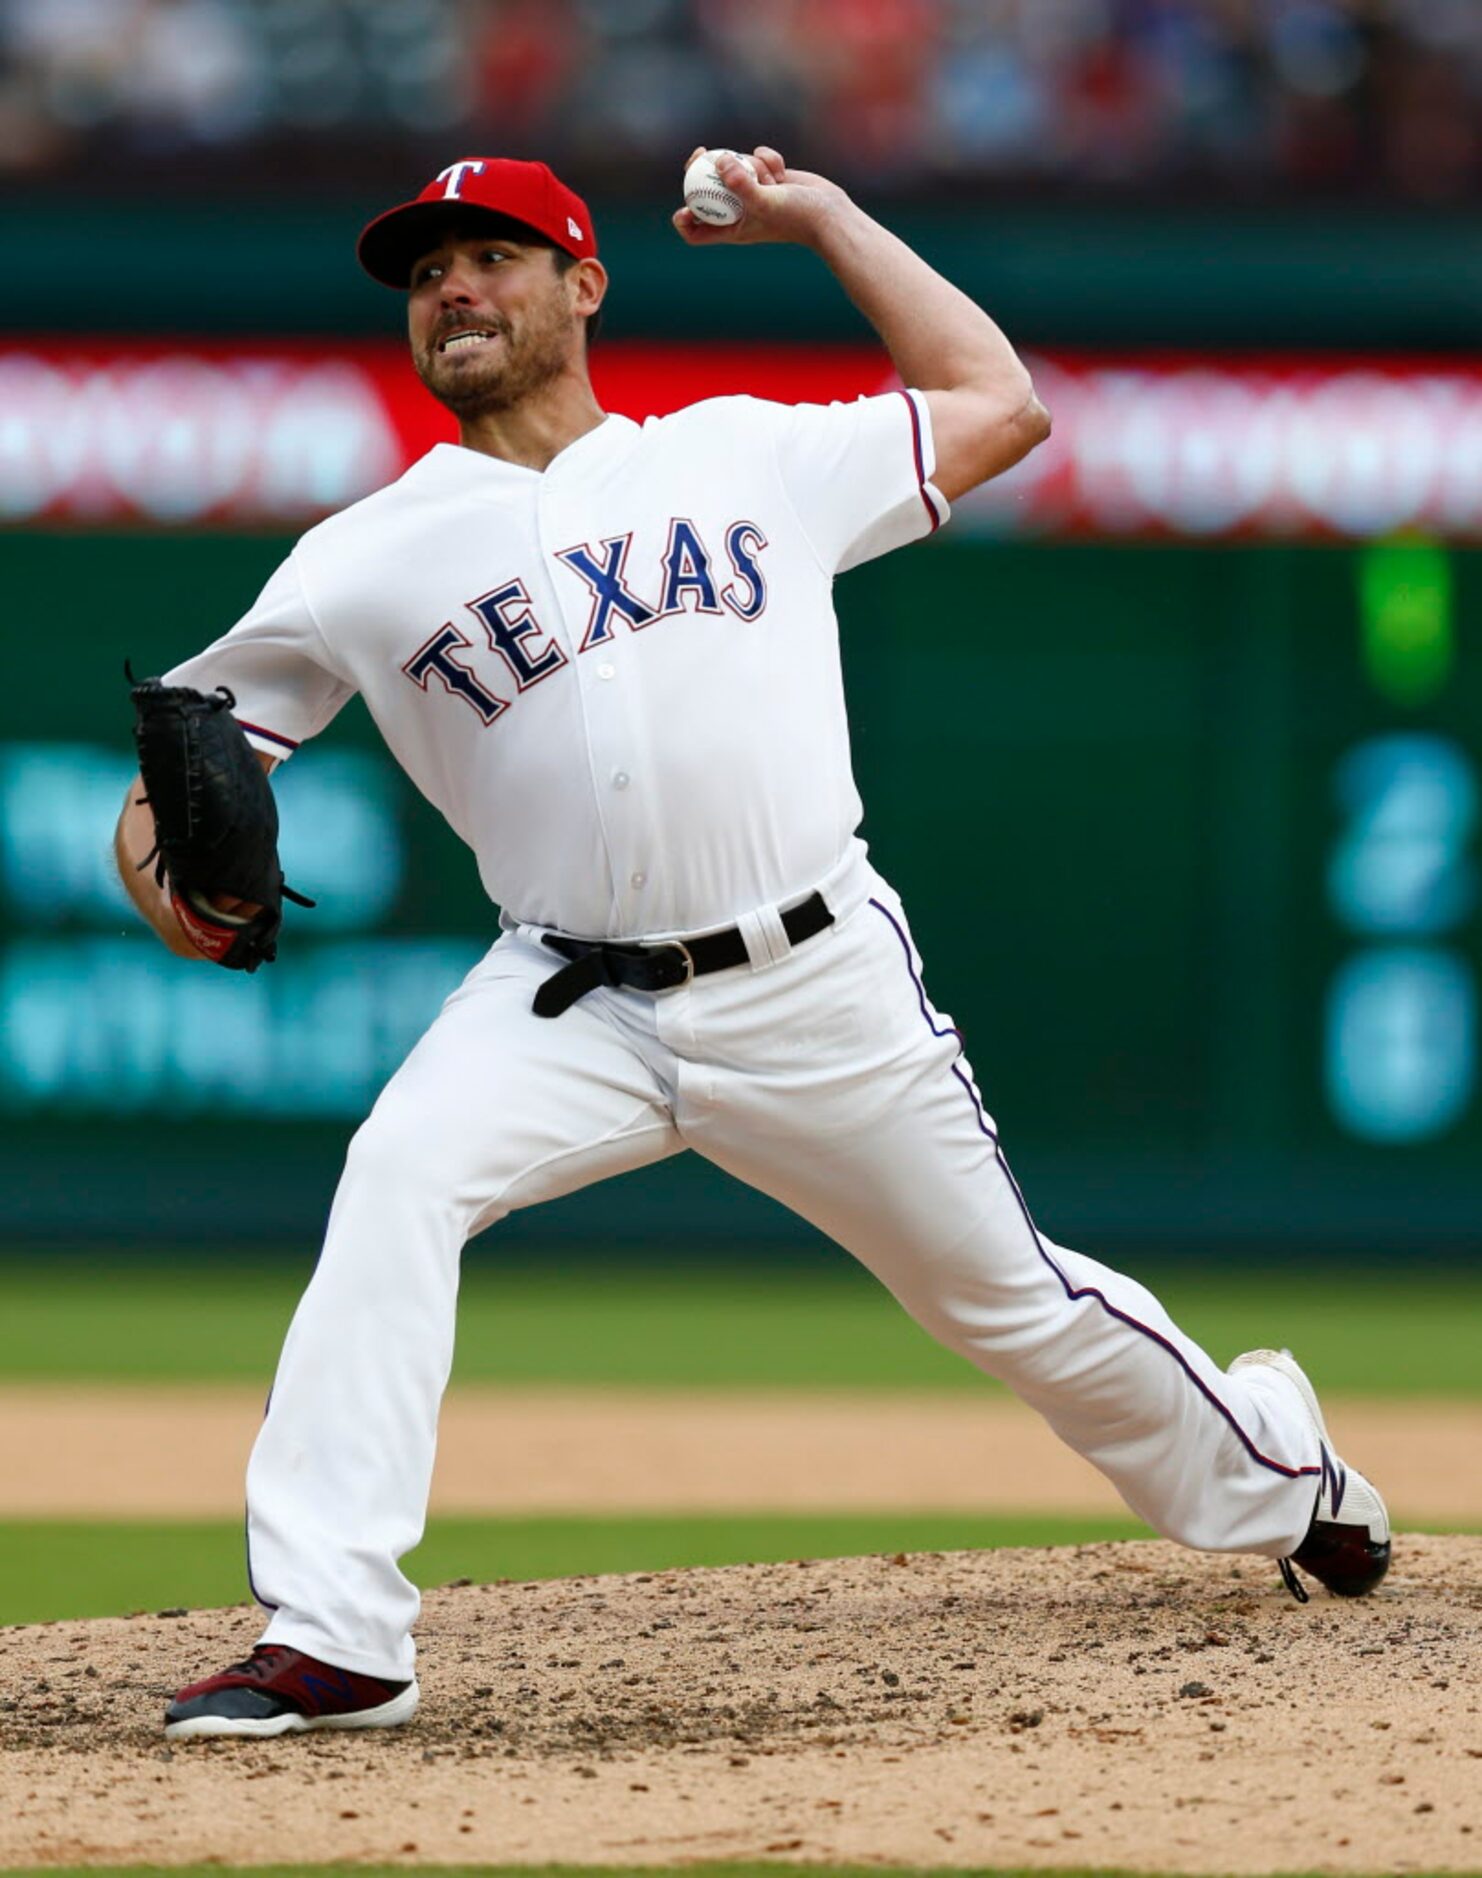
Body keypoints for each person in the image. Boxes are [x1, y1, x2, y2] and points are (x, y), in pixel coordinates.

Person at [114, 149, 1390, 1742]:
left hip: (812, 977)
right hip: (564, 994)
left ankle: (1284, 1467)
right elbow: (180, 774)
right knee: (399, 1175)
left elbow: (999, 402)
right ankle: (337, 1634)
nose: (453, 287)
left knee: (1008, 1302)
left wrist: (823, 220)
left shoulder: (743, 459)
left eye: (494, 255)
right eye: (427, 270)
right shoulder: (366, 552)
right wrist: (172, 886)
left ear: (583, 286)